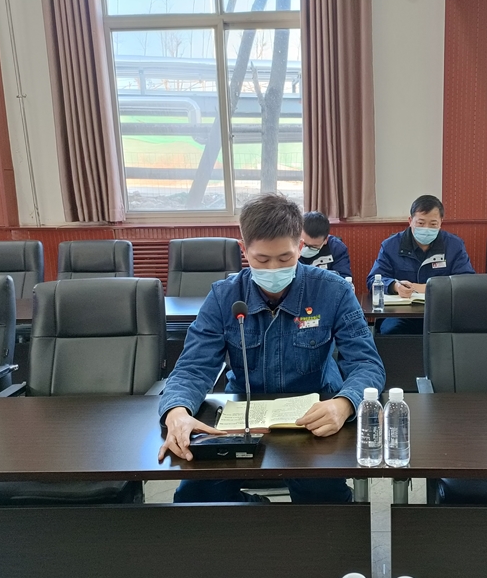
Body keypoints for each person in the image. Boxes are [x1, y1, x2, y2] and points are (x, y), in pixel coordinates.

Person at [158, 194, 386, 503]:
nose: (274, 269)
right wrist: (177, 411)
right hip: (243, 418)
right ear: (244, 250)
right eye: (262, 260)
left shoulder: (333, 290)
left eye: (285, 258)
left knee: (327, 509)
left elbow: (366, 364)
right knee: (195, 500)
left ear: (300, 247)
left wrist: (344, 404)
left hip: (314, 420)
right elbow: (192, 368)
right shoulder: (224, 296)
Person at [366, 195, 475, 334]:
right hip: (400, 314)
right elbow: (373, 279)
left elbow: (466, 282)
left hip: (442, 311)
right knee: (390, 331)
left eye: (433, 224)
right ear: (410, 221)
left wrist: (424, 287)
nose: (426, 229)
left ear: (441, 222)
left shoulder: (454, 245)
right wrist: (395, 286)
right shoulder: (391, 245)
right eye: (421, 223)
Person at [298, 211, 352, 279]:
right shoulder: (290, 244)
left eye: (314, 246)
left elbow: (344, 278)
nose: (306, 249)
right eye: (303, 243)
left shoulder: (337, 248)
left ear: (325, 240)